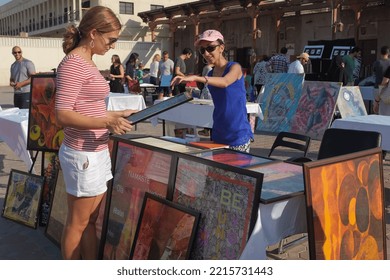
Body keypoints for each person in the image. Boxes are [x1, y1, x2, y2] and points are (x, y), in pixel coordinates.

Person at [55, 6, 135, 260]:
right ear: (93, 33)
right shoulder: (73, 64)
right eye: (110, 39)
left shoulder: (87, 61)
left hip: (96, 152)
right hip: (82, 154)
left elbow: (90, 105)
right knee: (78, 223)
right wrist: (106, 120)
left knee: (89, 221)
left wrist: (114, 117)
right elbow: (62, 114)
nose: (112, 46)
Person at [171, 29, 253, 152]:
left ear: (221, 48)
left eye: (210, 48)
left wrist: (195, 77)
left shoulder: (234, 67)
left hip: (237, 132)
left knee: (237, 170)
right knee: (215, 171)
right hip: (218, 130)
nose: (206, 53)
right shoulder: (210, 72)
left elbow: (225, 82)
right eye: (202, 50)